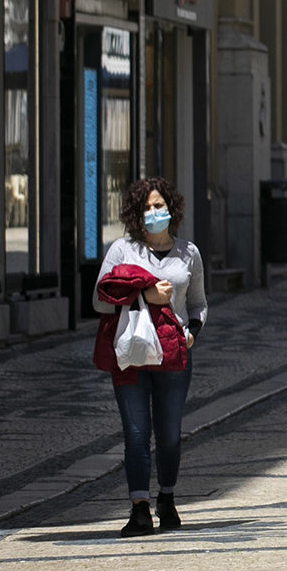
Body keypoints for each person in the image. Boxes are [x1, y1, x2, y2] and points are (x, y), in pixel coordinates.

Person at [94, 177, 208, 537]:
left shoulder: (188, 253)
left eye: (159, 206)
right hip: (131, 352)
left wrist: (193, 330)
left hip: (173, 354)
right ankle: (139, 507)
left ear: (171, 209)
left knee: (170, 433)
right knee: (136, 431)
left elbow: (199, 303)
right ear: (135, 214)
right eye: (146, 207)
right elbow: (99, 300)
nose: (153, 213)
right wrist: (143, 291)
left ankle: (167, 497)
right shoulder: (122, 251)